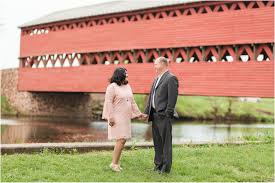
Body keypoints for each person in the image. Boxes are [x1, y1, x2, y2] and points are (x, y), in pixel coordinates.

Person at [102, 67, 147, 172]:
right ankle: (114, 164)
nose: (127, 75)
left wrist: (139, 113)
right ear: (119, 74)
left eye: (127, 73)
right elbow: (108, 102)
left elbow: (132, 102)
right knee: (121, 139)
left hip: (125, 117)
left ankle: (115, 163)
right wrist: (111, 116)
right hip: (116, 117)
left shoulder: (127, 86)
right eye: (125, 73)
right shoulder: (112, 87)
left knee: (123, 140)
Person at [144, 56, 179, 174]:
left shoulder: (171, 78)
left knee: (166, 142)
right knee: (157, 142)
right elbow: (151, 97)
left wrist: (168, 113)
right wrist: (146, 112)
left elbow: (172, 98)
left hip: (164, 115)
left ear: (163, 64)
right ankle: (158, 165)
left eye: (156, 64)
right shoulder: (156, 79)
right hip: (154, 115)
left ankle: (166, 168)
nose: (154, 66)